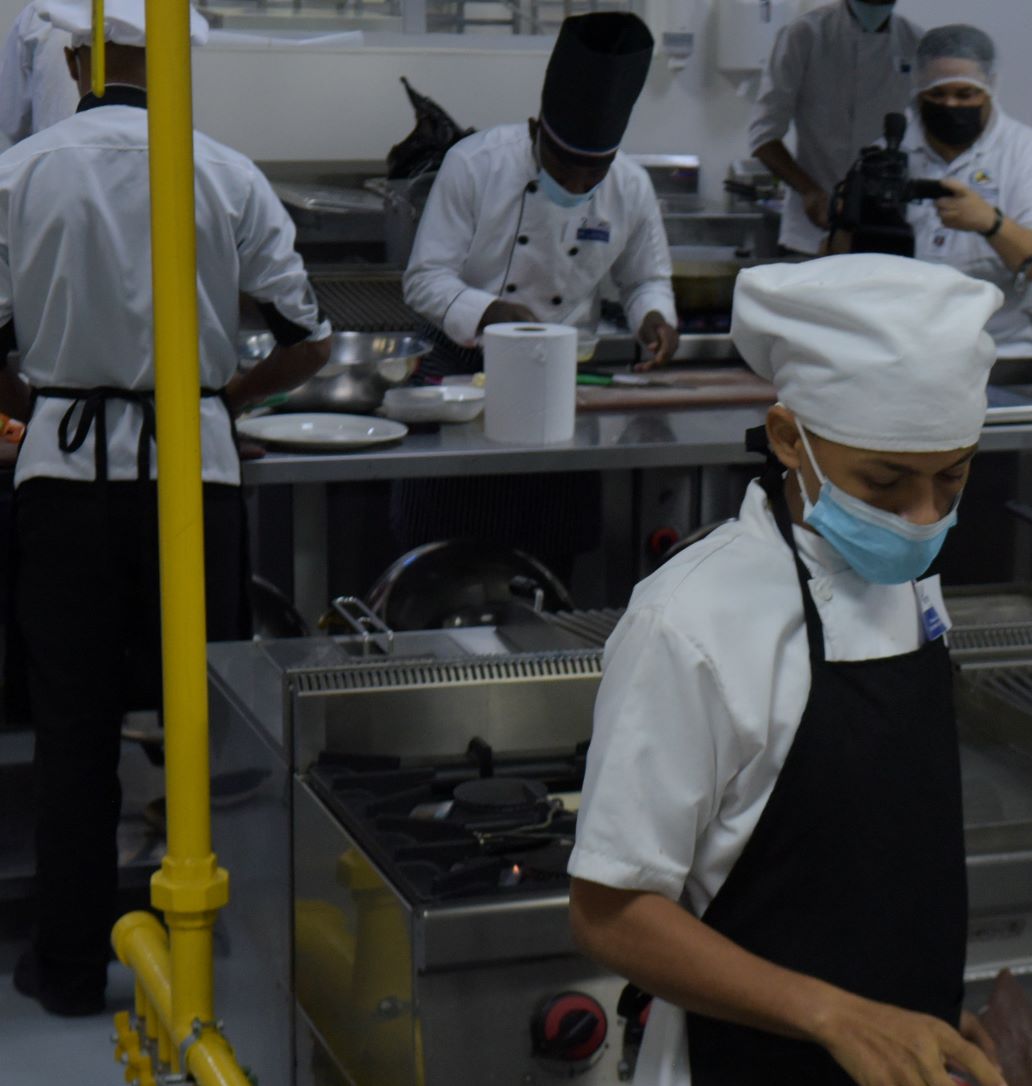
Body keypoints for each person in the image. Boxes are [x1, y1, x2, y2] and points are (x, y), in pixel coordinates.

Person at [569, 254, 1009, 1086]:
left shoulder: (906, 580)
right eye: (884, 482)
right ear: (786, 438)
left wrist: (914, 1005)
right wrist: (838, 1015)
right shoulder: (690, 622)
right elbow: (610, 913)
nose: (921, 519)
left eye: (951, 478)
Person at [0, 0, 332, 1016]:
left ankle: (68, 967)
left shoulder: (21, 172)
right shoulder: (224, 172)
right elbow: (309, 339)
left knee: (73, 733)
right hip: (194, 486)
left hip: (61, 484)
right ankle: (217, 962)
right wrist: (218, 401)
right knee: (205, 726)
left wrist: (42, 403)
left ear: (75, 57)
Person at [397, 11, 675, 578]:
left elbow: (645, 278)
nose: (577, 184)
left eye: (593, 172)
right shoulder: (475, 165)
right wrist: (490, 312)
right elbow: (424, 279)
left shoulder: (630, 186)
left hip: (555, 380)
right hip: (459, 370)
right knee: (444, 551)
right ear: (535, 129)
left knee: (547, 556)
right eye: (565, 166)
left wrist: (653, 315)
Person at [898, 25, 1032, 358]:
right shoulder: (890, 152)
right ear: (918, 89)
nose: (950, 104)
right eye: (937, 94)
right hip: (906, 349)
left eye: (965, 95)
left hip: (1000, 352)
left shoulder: (1030, 158)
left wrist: (991, 224)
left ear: (990, 87)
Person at [750, 0, 921, 256]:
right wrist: (809, 191)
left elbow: (927, 133)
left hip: (888, 229)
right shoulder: (805, 34)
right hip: (812, 228)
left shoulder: (915, 41)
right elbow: (763, 135)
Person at [0, 0, 77, 144]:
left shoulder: (38, 15)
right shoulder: (38, 16)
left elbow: (12, 120)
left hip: (53, 151)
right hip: (122, 153)